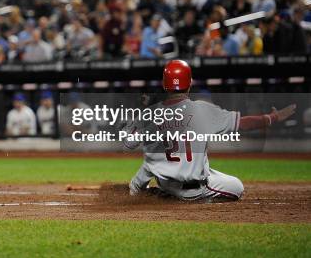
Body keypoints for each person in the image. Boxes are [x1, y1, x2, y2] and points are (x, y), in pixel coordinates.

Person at [126, 60, 296, 201]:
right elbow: (243, 124)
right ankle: (197, 199)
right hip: (195, 190)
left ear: (164, 85)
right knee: (237, 187)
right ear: (190, 83)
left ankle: (156, 192)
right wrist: (272, 118)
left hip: (166, 184)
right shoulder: (202, 110)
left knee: (152, 163)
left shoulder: (150, 113)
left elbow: (129, 142)